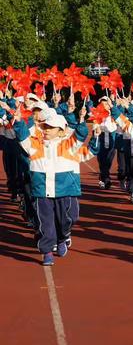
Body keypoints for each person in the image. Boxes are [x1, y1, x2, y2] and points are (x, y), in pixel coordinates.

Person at [12, 108, 99, 265]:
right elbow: (22, 136)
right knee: (45, 222)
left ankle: (63, 237)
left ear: (61, 131)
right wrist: (18, 121)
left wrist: (82, 120)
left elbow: (80, 136)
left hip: (66, 191)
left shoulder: (69, 146)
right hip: (42, 192)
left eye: (50, 127)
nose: (46, 130)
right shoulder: (34, 146)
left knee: (70, 218)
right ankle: (47, 252)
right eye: (45, 127)